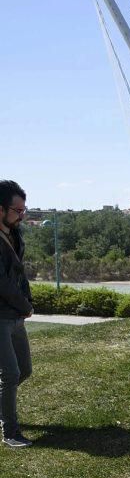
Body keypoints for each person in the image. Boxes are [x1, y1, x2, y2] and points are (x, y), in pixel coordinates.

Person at [0, 180, 33, 448]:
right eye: (17, 211)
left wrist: (26, 301)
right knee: (11, 373)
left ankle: (3, 405)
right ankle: (10, 432)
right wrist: (25, 305)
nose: (21, 216)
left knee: (24, 370)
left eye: (24, 211)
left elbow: (19, 274)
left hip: (15, 316)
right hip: (1, 316)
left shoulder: (15, 234)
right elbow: (3, 284)